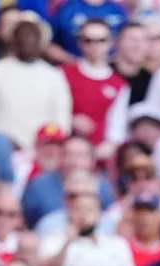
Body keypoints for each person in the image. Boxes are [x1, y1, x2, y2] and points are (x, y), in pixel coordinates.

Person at [0, 11, 72, 150]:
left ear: (40, 40)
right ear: (13, 39)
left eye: (33, 34)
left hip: (41, 155)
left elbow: (62, 121)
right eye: (23, 33)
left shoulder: (54, 76)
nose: (28, 38)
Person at [62, 18, 128, 160]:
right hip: (65, 151)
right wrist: (70, 120)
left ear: (111, 43)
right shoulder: (63, 74)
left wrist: (95, 154)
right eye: (88, 40)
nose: (95, 46)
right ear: (80, 43)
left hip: (98, 156)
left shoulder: (119, 84)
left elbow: (116, 131)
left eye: (101, 40)